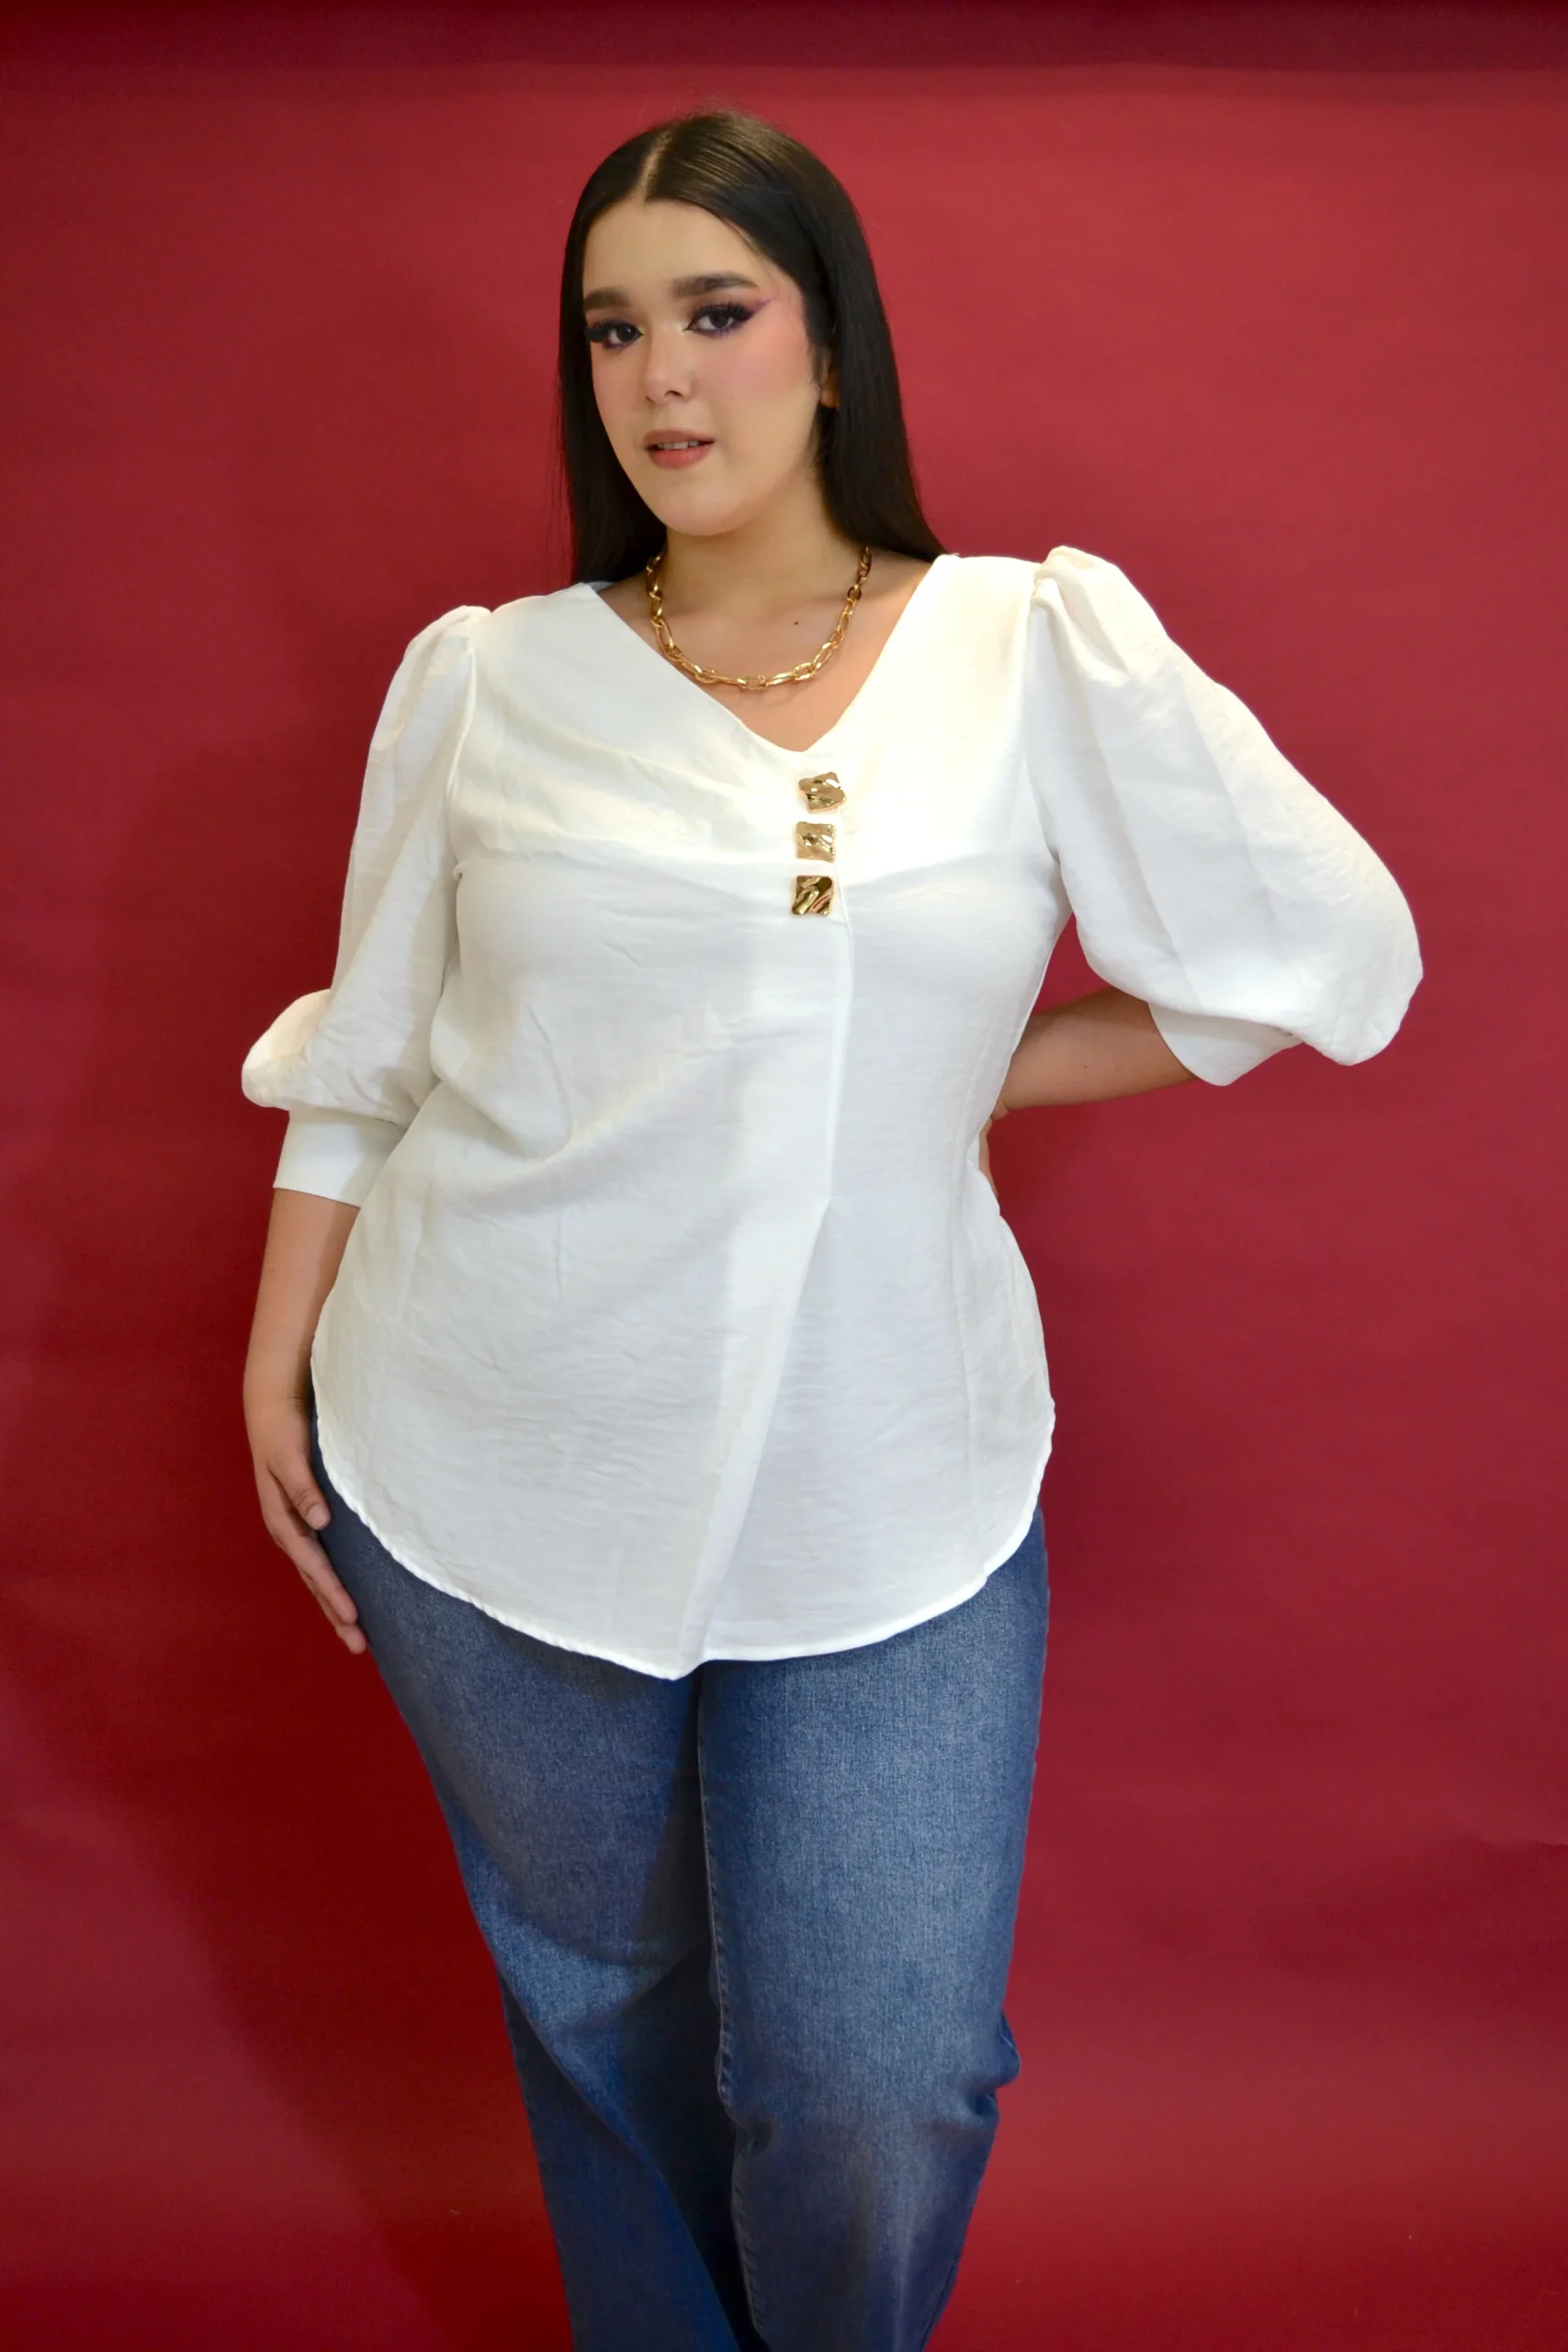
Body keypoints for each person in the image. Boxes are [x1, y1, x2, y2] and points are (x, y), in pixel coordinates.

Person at [241, 109, 1420, 2352]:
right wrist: (270, 1350)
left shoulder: (1023, 645)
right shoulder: (489, 678)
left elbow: (1310, 957)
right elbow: (372, 1053)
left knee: (878, 2081)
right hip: (492, 1432)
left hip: (891, 1469)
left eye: (717, 311)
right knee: (600, 2003)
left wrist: (946, 1065)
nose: (661, 377)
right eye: (612, 331)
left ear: (831, 344)